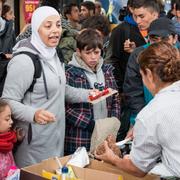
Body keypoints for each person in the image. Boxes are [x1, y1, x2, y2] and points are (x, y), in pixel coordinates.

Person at [2, 6, 92, 168]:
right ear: (36, 28)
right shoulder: (24, 61)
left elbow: (61, 89)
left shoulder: (55, 54)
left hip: (56, 139)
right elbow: (7, 101)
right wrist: (33, 114)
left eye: (58, 24)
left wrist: (89, 95)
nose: (55, 30)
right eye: (48, 25)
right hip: (32, 144)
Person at [95, 41, 180, 177]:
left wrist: (113, 159)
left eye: (142, 76)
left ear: (149, 74)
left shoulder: (151, 113)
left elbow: (138, 169)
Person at [65, 28, 121, 155]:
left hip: (105, 131)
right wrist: (89, 124)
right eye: (88, 53)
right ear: (78, 52)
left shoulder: (107, 71)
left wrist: (113, 120)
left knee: (102, 167)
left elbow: (115, 98)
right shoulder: (70, 73)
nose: (93, 57)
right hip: (80, 134)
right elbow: (65, 106)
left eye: (97, 52)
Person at [123, 17, 178, 137]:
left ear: (174, 38)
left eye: (164, 39)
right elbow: (133, 91)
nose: (159, 44)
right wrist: (140, 121)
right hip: (144, 115)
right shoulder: (139, 55)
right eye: (154, 39)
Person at [0, 99, 16, 180]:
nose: (12, 122)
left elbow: (12, 166)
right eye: (7, 119)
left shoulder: (7, 141)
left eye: (11, 117)